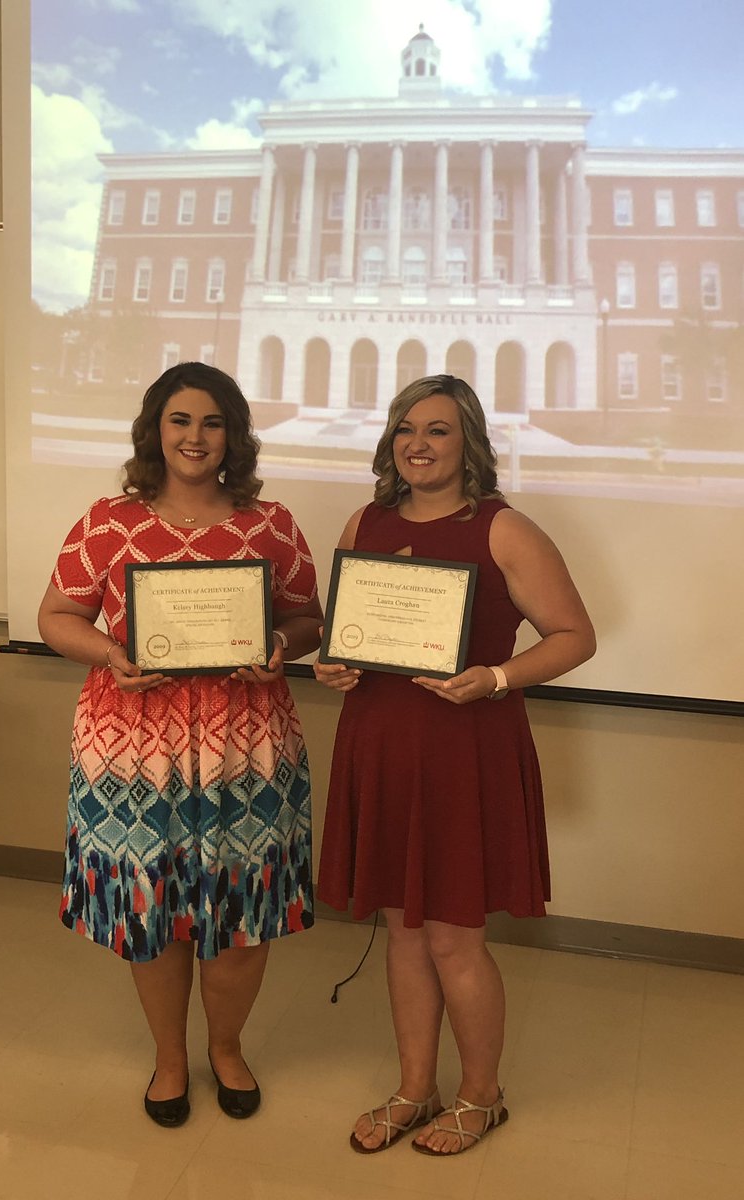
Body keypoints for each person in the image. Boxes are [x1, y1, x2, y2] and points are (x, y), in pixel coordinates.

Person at [314, 374, 595, 1157]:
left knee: (452, 939)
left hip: (464, 749)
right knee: (403, 933)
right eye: (406, 428)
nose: (418, 444)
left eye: (437, 429)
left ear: (469, 441)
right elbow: (348, 636)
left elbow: (574, 635)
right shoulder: (364, 519)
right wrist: (333, 666)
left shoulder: (505, 529)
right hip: (381, 741)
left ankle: (481, 1095)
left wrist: (496, 678)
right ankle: (415, 1088)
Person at [38, 362, 322, 1127]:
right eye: (180, 421)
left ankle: (226, 1049)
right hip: (135, 749)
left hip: (246, 747)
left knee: (240, 914)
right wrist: (110, 655)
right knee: (153, 913)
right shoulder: (107, 520)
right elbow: (57, 616)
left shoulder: (272, 524)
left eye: (212, 422)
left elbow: (308, 620)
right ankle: (170, 1058)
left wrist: (280, 647)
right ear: (155, 431)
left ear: (233, 435)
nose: (195, 438)